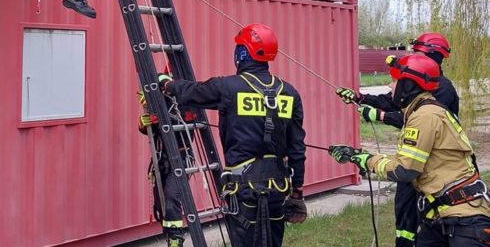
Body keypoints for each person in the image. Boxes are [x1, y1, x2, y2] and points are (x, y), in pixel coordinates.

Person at [159, 23, 307, 247]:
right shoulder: (289, 93)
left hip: (243, 190)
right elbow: (297, 149)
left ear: (242, 53)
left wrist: (167, 84)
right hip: (277, 188)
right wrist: (297, 191)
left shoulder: (228, 87)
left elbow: (193, 92)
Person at [330, 53, 490, 247]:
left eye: (394, 80)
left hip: (464, 221)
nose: (390, 86)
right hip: (442, 218)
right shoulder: (420, 110)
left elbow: (404, 170)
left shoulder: (424, 116)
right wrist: (359, 155)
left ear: (408, 85)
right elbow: (407, 159)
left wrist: (366, 160)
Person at [137, 80, 197, 247]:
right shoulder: (159, 102)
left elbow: (180, 121)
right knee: (162, 203)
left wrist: (157, 109)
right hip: (161, 159)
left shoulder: (186, 101)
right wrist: (144, 123)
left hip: (181, 159)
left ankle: (175, 240)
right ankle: (170, 234)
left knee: (171, 197)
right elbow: (153, 130)